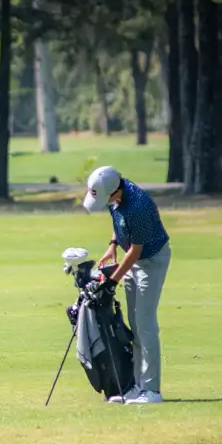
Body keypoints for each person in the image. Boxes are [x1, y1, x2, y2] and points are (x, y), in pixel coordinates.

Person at [82, 166, 172, 404]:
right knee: (134, 323)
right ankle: (136, 387)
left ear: (115, 192)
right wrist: (112, 244)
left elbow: (135, 251)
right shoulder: (115, 192)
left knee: (145, 325)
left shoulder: (138, 206)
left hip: (151, 261)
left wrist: (113, 280)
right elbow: (119, 223)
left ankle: (151, 391)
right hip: (134, 260)